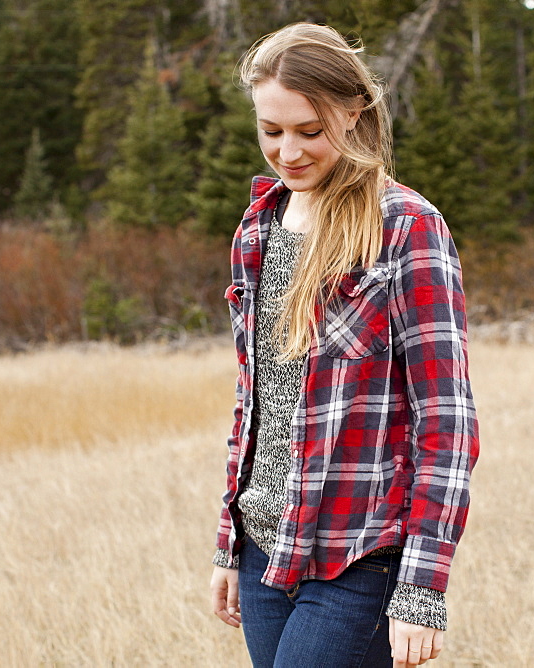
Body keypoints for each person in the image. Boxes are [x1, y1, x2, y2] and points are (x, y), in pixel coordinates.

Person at [209, 22, 479, 668]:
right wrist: (228, 545)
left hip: (360, 555)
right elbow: (256, 405)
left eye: (309, 131)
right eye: (271, 131)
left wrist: (421, 588)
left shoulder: (407, 227)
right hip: (264, 551)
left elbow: (445, 419)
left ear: (354, 113)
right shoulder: (257, 229)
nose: (288, 151)